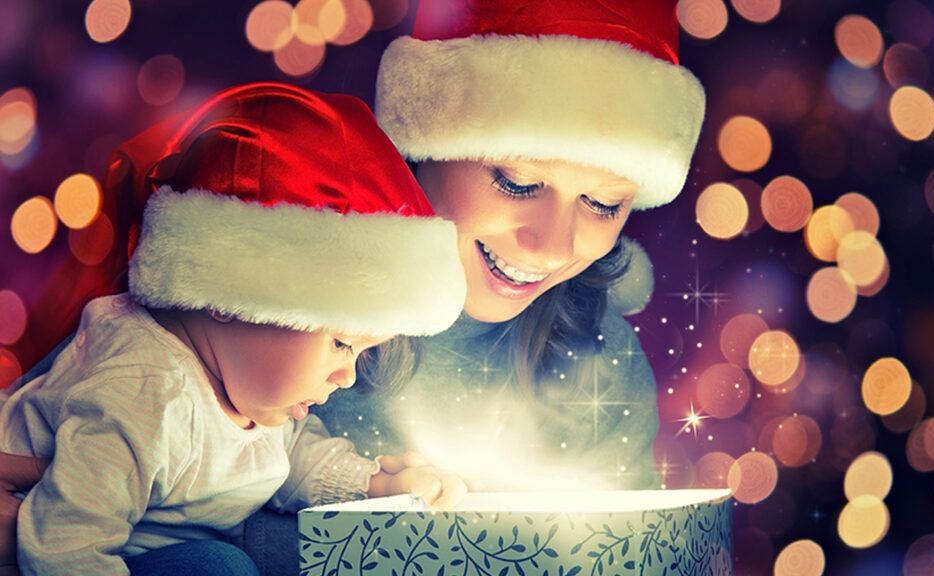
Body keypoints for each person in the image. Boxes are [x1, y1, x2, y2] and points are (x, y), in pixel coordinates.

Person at [248, 1, 707, 572]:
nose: (554, 245)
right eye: (517, 182)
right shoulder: (276, 308)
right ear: (427, 144)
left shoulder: (600, 362)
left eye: (603, 202)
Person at [0, 82, 469, 576]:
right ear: (230, 297)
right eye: (340, 343)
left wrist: (371, 484)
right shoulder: (146, 394)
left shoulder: (252, 388)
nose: (346, 377)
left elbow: (290, 455)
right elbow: (64, 549)